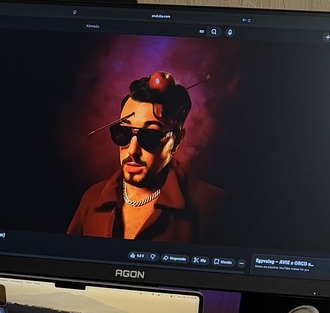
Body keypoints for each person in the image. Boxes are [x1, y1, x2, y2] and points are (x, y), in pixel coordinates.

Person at [66, 71, 224, 244]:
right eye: (123, 133)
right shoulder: (93, 198)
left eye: (150, 136)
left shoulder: (211, 205)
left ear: (177, 140)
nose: (132, 150)